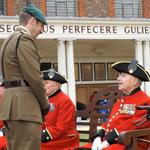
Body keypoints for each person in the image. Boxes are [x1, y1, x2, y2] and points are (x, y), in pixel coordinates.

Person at [0, 4, 50, 150]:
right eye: (41, 25)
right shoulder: (24, 40)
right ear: (32, 21)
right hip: (25, 107)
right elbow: (34, 77)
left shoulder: (9, 40)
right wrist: (45, 104)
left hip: (12, 106)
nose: (42, 31)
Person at [79, 59, 150, 150]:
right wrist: (98, 136)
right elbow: (110, 122)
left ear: (134, 81)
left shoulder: (144, 101)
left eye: (123, 76)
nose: (118, 79)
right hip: (113, 143)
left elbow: (134, 124)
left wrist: (108, 141)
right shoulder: (121, 101)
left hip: (129, 143)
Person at [40, 69, 79, 150]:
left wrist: (43, 135)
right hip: (54, 137)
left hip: (65, 139)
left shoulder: (65, 100)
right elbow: (44, 122)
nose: (43, 85)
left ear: (57, 85)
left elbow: (61, 126)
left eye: (46, 82)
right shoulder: (48, 100)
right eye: (43, 82)